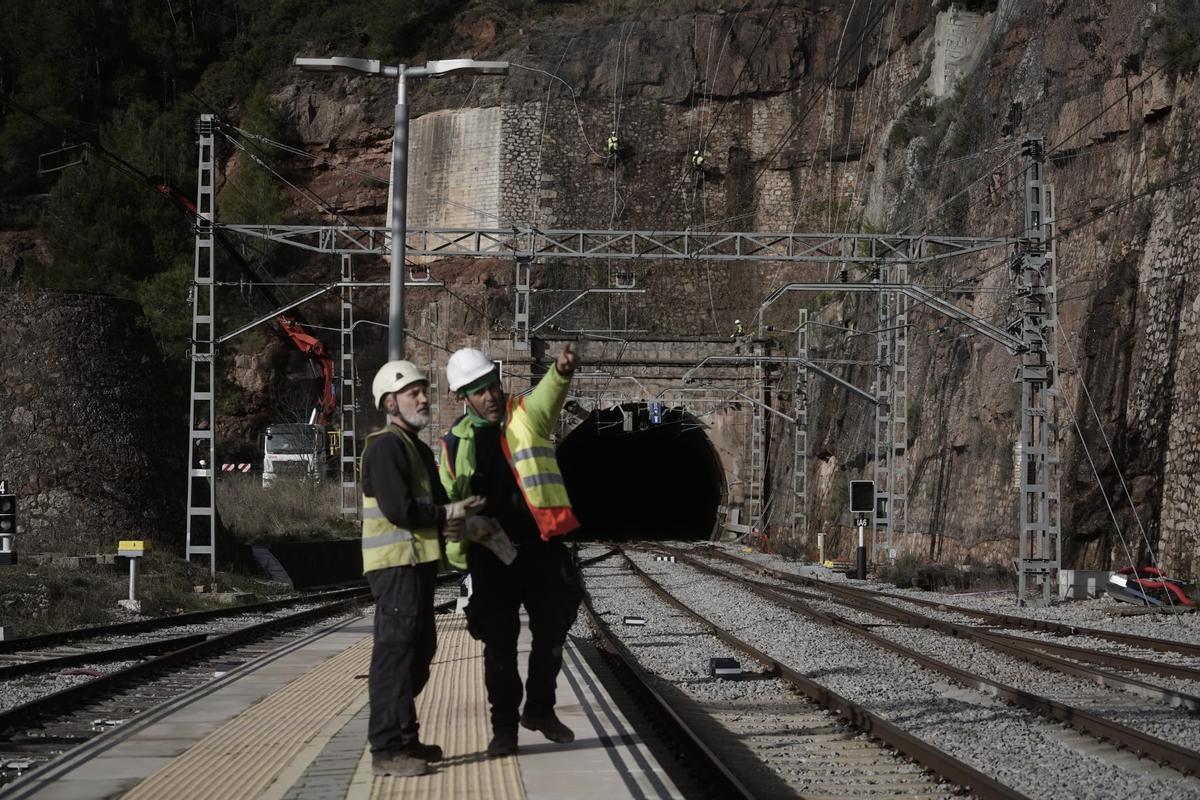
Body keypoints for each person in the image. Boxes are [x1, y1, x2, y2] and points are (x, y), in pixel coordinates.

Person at [439, 344, 584, 758]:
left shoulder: (525, 414)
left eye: (493, 385)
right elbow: (450, 506)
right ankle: (504, 729)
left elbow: (548, 396)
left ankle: (539, 709)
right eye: (479, 390)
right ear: (462, 397)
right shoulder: (453, 446)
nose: (490, 396)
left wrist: (559, 371)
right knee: (499, 648)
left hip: (540, 546)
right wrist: (461, 562)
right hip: (491, 558)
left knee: (552, 633)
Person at [362, 360, 485, 777]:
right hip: (395, 566)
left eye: (423, 390)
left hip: (417, 565)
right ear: (389, 401)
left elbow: (430, 506)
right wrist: (446, 512)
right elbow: (400, 510)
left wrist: (453, 520)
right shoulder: (384, 447)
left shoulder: (415, 448)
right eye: (412, 392)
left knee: (419, 653)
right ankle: (387, 748)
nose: (422, 397)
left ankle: (406, 736)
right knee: (395, 657)